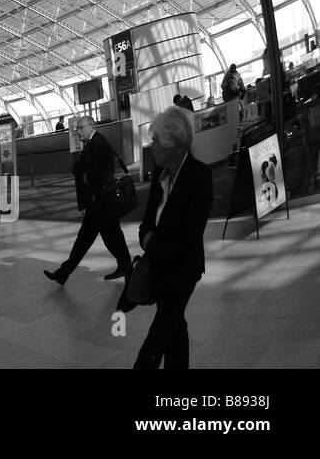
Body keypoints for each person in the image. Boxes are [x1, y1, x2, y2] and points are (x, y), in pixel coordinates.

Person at [122, 106, 213, 369]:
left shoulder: (199, 177)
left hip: (183, 269)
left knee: (159, 332)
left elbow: (189, 235)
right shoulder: (159, 176)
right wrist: (149, 239)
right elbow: (146, 224)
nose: (152, 147)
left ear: (175, 144)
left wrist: (153, 242)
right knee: (175, 328)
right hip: (159, 267)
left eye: (156, 141)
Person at [44, 115, 132, 285]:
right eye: (77, 129)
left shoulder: (99, 142)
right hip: (98, 203)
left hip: (101, 202)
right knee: (102, 238)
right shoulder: (94, 143)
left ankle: (125, 267)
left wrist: (87, 177)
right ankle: (124, 266)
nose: (78, 132)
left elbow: (104, 168)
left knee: (100, 239)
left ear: (91, 126)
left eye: (81, 128)